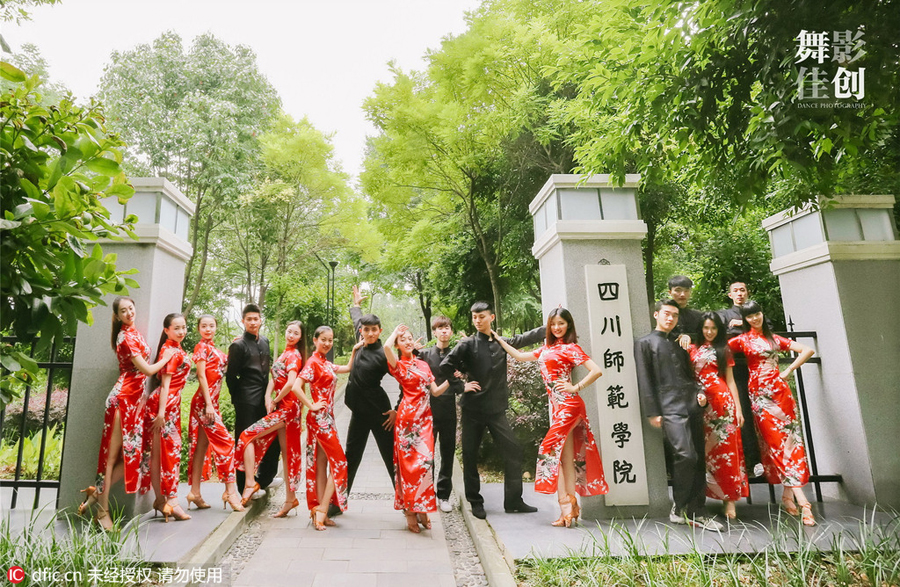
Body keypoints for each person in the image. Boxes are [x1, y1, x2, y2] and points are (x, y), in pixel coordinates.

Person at [492, 307, 608, 528]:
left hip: (569, 406)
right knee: (565, 460)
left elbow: (596, 370)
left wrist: (576, 387)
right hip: (558, 409)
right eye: (553, 324)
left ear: (568, 326)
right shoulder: (545, 349)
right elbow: (519, 355)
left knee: (548, 449)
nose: (556, 328)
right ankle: (570, 508)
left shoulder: (571, 348)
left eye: (561, 324)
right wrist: (498, 339)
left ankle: (566, 504)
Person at [78, 297, 175, 530]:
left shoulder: (134, 332)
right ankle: (102, 511)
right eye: (124, 311)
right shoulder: (125, 337)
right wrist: (167, 358)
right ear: (117, 315)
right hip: (122, 400)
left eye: (131, 308)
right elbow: (148, 369)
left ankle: (95, 492)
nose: (130, 313)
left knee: (133, 454)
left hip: (135, 402)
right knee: (110, 458)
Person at [440, 301, 544, 520]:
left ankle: (514, 501)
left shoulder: (501, 343)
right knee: (470, 455)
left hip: (496, 410)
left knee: (514, 450)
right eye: (474, 317)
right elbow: (446, 366)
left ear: (492, 318)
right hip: (472, 410)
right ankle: (475, 502)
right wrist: (461, 386)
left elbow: (525, 338)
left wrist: (550, 324)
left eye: (482, 317)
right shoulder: (467, 345)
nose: (477, 321)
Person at [634, 299, 723, 530]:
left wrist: (701, 394)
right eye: (666, 314)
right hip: (668, 406)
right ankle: (679, 507)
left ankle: (697, 510)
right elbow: (644, 380)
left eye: (674, 315)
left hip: (691, 402)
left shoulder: (680, 342)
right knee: (685, 455)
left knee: (699, 458)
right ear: (656, 315)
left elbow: (692, 375)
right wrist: (652, 412)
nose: (670, 318)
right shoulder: (644, 343)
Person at [728, 300, 817, 526]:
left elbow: (808, 350)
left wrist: (788, 370)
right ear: (745, 320)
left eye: (757, 314)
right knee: (775, 443)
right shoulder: (742, 340)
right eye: (749, 316)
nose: (754, 318)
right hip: (759, 397)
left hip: (781, 394)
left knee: (789, 442)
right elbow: (719, 350)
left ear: (761, 314)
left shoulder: (775, 339)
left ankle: (790, 496)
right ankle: (802, 502)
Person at [384, 324, 450, 533]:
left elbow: (436, 392)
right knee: (407, 469)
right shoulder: (398, 365)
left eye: (410, 338)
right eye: (403, 340)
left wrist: (453, 378)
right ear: (397, 344)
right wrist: (395, 332)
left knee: (424, 465)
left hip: (425, 421)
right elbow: (386, 348)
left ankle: (422, 507)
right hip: (406, 422)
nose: (408, 341)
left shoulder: (423, 365)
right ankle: (410, 512)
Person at [234, 321, 305, 517]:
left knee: (247, 435)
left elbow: (291, 383)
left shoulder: (294, 355)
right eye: (289, 331)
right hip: (283, 408)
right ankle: (291, 499)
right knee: (288, 454)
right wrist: (268, 397)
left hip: (288, 410)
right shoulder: (284, 353)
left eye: (295, 333)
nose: (291, 335)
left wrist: (276, 400)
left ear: (300, 337)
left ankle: (250, 483)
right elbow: (274, 378)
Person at [295, 326, 363, 530]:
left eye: (330, 340)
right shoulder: (313, 362)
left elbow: (348, 368)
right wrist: (311, 405)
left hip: (328, 418)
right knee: (340, 463)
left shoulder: (325, 363)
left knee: (322, 463)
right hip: (319, 419)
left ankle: (319, 510)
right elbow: (296, 386)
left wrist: (354, 350)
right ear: (315, 340)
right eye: (323, 339)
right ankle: (323, 509)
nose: (327, 343)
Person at [341, 286, 396, 516]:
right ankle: (337, 503)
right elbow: (356, 318)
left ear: (380, 330)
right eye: (366, 330)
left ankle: (408, 505)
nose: (369, 333)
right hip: (358, 413)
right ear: (361, 331)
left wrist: (397, 409)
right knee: (350, 458)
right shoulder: (359, 341)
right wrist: (356, 305)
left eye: (374, 330)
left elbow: (405, 379)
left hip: (380, 414)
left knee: (390, 458)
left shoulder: (384, 354)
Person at [689, 312, 748, 520]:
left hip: (722, 403)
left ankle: (729, 500)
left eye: (713, 328)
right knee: (704, 453)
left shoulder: (724, 349)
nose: (709, 332)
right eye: (706, 328)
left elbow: (730, 381)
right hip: (700, 404)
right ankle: (700, 498)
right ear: (700, 329)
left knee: (727, 452)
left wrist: (738, 409)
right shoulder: (692, 349)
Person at [186, 315, 244, 512]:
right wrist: (209, 404)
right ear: (198, 328)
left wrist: (235, 343)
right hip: (204, 403)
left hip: (212, 403)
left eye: (211, 325)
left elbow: (226, 365)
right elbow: (200, 375)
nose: (208, 329)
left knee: (202, 446)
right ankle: (230, 490)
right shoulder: (201, 347)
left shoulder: (215, 351)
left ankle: (195, 492)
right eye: (204, 326)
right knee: (227, 442)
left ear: (216, 328)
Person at [140, 313, 192, 522]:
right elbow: (166, 384)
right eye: (176, 328)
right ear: (167, 330)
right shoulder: (170, 350)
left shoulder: (175, 349)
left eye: (183, 327)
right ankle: (171, 500)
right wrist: (161, 413)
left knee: (161, 454)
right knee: (170, 453)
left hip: (170, 404)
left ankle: (161, 500)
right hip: (165, 405)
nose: (181, 331)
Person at [416, 316, 471, 514]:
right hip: (428, 410)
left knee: (447, 454)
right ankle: (426, 493)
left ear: (451, 331)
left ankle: (444, 495)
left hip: (448, 408)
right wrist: (411, 350)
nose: (444, 331)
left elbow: (467, 370)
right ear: (435, 332)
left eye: (447, 327)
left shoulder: (457, 355)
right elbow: (406, 365)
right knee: (427, 454)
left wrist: (469, 343)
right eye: (440, 328)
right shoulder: (424, 354)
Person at [226, 304, 280, 498]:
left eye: (256, 319)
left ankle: (263, 479)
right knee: (244, 441)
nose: (253, 322)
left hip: (264, 398)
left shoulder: (264, 341)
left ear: (260, 320)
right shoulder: (238, 345)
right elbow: (230, 377)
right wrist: (238, 398)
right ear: (243, 321)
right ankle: (243, 486)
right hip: (246, 399)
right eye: (249, 319)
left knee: (271, 439)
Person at [716, 280, 763, 476]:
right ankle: (745, 461)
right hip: (735, 370)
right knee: (738, 413)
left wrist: (743, 323)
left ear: (747, 291)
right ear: (730, 295)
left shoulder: (755, 312)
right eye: (735, 290)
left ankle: (761, 461)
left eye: (742, 290)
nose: (739, 293)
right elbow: (720, 335)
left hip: (759, 370)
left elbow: (765, 328)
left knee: (760, 414)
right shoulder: (724, 315)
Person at [668, 275, 703, 349]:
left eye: (686, 290)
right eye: (678, 290)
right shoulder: (664, 315)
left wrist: (689, 337)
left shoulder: (698, 316)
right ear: (670, 292)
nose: (682, 294)